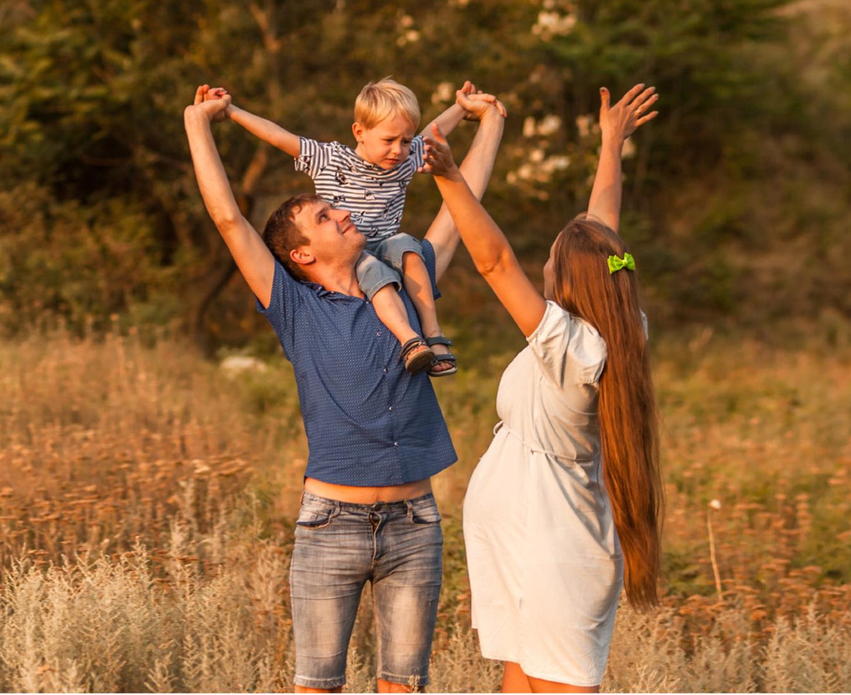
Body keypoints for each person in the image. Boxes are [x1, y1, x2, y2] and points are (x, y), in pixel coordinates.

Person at [183, 83, 505, 692]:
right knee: (317, 687)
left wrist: (488, 123)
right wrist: (199, 122)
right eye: (326, 217)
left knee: (403, 686)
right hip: (332, 523)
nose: (345, 212)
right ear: (301, 253)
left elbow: (464, 206)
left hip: (415, 522)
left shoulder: (409, 288)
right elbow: (227, 216)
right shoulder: (294, 305)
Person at [417, 84, 665, 692]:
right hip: (526, 538)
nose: (545, 267)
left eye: (553, 260)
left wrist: (451, 178)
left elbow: (496, 261)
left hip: (554, 548)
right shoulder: (616, 322)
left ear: (571, 282)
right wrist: (611, 144)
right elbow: (601, 231)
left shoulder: (576, 347)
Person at [215, 78, 506, 376]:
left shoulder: (403, 161)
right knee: (372, 267)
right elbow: (278, 136)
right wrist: (233, 111)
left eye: (405, 141)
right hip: (349, 254)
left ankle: (433, 332)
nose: (398, 150)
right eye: (389, 140)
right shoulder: (330, 159)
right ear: (360, 132)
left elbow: (434, 132)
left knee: (409, 246)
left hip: (387, 246)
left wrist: (461, 107)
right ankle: (410, 340)